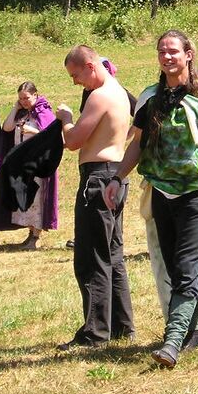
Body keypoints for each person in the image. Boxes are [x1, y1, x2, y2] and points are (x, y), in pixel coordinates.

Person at [103, 30, 198, 369]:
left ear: (188, 54)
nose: (167, 57)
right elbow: (139, 143)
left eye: (173, 51)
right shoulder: (152, 98)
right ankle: (196, 328)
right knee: (173, 266)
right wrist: (117, 177)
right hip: (161, 192)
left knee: (186, 266)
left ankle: (173, 340)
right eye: (162, 51)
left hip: (196, 192)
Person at [54, 45, 135, 350]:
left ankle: (95, 332)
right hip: (115, 174)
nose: (75, 82)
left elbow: (74, 141)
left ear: (90, 66)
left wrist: (65, 119)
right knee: (113, 256)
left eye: (76, 75)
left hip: (97, 179)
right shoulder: (120, 93)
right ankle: (122, 327)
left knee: (92, 257)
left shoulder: (99, 96)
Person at [0, 81, 58, 249]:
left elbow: (53, 137)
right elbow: (7, 128)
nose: (24, 101)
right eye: (21, 98)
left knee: (37, 199)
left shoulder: (44, 112)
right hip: (21, 163)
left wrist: (32, 131)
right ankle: (30, 233)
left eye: (26, 98)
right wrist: (15, 108)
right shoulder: (22, 113)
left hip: (37, 164)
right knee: (25, 198)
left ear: (35, 95)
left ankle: (36, 236)